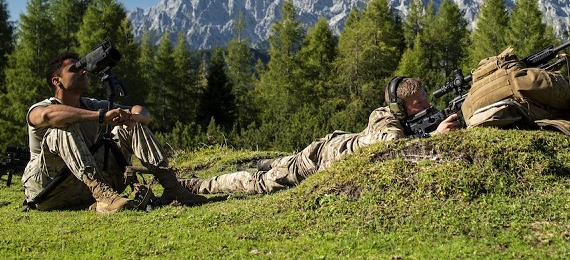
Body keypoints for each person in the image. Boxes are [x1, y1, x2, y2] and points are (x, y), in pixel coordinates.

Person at [180, 76, 459, 196]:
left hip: (327, 149)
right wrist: (434, 137)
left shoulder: (413, 119)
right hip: (316, 161)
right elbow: (390, 149)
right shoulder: (383, 117)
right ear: (399, 107)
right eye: (419, 104)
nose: (426, 106)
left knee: (278, 163)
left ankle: (269, 160)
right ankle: (196, 185)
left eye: (425, 100)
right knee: (258, 183)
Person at [22, 51, 207, 213]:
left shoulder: (91, 105)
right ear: (57, 81)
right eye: (74, 69)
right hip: (47, 189)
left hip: (82, 189)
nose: (83, 71)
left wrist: (133, 117)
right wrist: (100, 116)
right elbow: (48, 116)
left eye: (83, 68)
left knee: (130, 125)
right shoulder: (41, 108)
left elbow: (140, 111)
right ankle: (103, 196)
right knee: (62, 127)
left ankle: (172, 188)